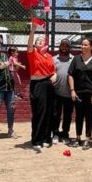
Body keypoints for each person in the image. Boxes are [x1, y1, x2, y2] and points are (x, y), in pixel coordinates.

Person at [26, 22, 56, 152]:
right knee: (39, 112)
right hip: (38, 85)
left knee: (49, 111)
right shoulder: (33, 53)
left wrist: (54, 75)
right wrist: (33, 30)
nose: (40, 41)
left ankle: (46, 138)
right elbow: (29, 45)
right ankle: (36, 140)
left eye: (42, 40)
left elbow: (53, 70)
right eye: (38, 40)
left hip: (48, 84)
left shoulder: (49, 56)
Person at [68, 37, 92, 149]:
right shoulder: (76, 59)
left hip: (90, 93)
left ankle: (87, 139)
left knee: (89, 116)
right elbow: (70, 75)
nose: (83, 46)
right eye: (82, 45)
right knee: (78, 115)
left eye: (85, 45)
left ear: (91, 47)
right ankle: (78, 138)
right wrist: (72, 90)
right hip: (78, 92)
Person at [52, 38, 74, 144]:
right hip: (56, 93)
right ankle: (55, 133)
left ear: (69, 48)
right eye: (62, 45)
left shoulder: (74, 59)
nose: (64, 48)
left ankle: (65, 133)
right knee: (55, 114)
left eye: (66, 46)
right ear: (59, 46)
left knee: (67, 115)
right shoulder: (53, 59)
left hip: (69, 93)